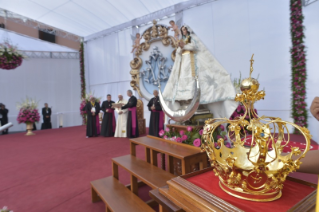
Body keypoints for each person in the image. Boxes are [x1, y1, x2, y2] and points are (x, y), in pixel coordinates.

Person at [161, 25, 238, 120]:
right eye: (182, 30)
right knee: (184, 82)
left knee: (194, 81)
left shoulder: (193, 38)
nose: (184, 31)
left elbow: (195, 46)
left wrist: (184, 46)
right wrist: (180, 47)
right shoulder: (182, 40)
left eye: (185, 29)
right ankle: (186, 100)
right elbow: (178, 52)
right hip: (184, 63)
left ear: (187, 30)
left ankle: (196, 102)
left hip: (191, 63)